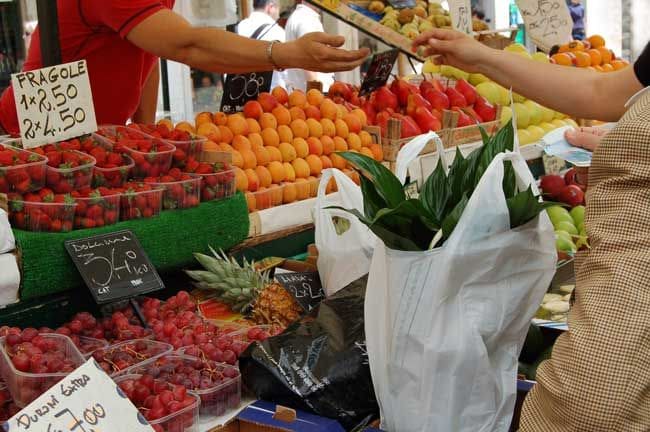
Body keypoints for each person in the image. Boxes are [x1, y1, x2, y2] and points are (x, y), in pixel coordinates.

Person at [413, 29, 650, 431]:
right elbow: (604, 92)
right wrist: (483, 59)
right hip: (622, 286)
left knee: (589, 405)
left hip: (632, 297)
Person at [0, 0, 369, 136]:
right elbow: (187, 45)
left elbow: (147, 53)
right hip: (25, 137)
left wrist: (143, 132)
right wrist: (286, 53)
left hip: (89, 140)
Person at [284, 1, 335, 92]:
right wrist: (316, 96)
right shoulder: (307, 20)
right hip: (311, 95)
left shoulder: (297, 16)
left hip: (301, 93)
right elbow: (309, 62)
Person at [237, 0, 287, 89]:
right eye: (278, 8)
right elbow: (287, 72)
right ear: (270, 7)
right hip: (272, 96)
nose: (278, 15)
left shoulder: (238, 27)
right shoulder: (278, 32)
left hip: (242, 94)